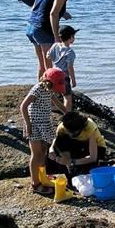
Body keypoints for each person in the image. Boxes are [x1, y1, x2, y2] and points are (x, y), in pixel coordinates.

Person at [20, 67, 68, 196]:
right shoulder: (37, 89)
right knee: (36, 154)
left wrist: (68, 114)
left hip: (45, 124)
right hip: (34, 125)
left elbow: (57, 104)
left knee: (44, 152)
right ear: (48, 83)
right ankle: (35, 184)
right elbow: (23, 106)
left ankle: (43, 177)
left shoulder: (49, 90)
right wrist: (28, 124)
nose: (55, 91)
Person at [28, 0, 78, 79]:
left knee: (42, 64)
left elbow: (37, 6)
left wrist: (63, 13)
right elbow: (53, 14)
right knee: (50, 67)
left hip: (31, 26)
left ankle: (40, 90)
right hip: (43, 30)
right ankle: (51, 94)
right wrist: (56, 36)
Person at [47, 110, 109, 180]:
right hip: (78, 146)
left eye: (74, 133)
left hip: (96, 147)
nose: (70, 134)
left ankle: (76, 167)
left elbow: (93, 157)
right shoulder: (62, 127)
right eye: (68, 132)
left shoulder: (90, 127)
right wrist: (51, 149)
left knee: (89, 169)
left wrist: (72, 162)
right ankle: (66, 171)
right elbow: (56, 142)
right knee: (60, 142)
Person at [47, 25, 79, 112]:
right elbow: (70, 67)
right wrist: (73, 80)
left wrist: (49, 69)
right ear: (71, 37)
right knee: (67, 96)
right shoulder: (70, 52)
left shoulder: (55, 45)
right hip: (63, 76)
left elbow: (48, 57)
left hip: (53, 74)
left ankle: (53, 107)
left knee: (52, 93)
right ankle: (67, 113)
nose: (74, 38)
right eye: (73, 36)